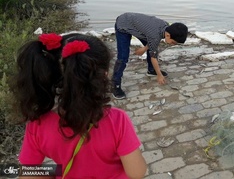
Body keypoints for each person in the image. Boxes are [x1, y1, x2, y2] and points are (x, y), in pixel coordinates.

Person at [17, 34, 147, 179]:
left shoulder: (37, 124)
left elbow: (27, 173)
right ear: (103, 76)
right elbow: (137, 173)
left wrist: (57, 172)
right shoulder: (117, 121)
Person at [112, 12, 188, 100]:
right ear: (168, 35)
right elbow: (153, 55)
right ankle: (115, 84)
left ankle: (151, 70)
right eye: (173, 42)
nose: (173, 44)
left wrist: (144, 48)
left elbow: (152, 42)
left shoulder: (166, 27)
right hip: (123, 25)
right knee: (123, 57)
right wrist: (159, 75)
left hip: (137, 25)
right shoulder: (155, 35)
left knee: (153, 49)